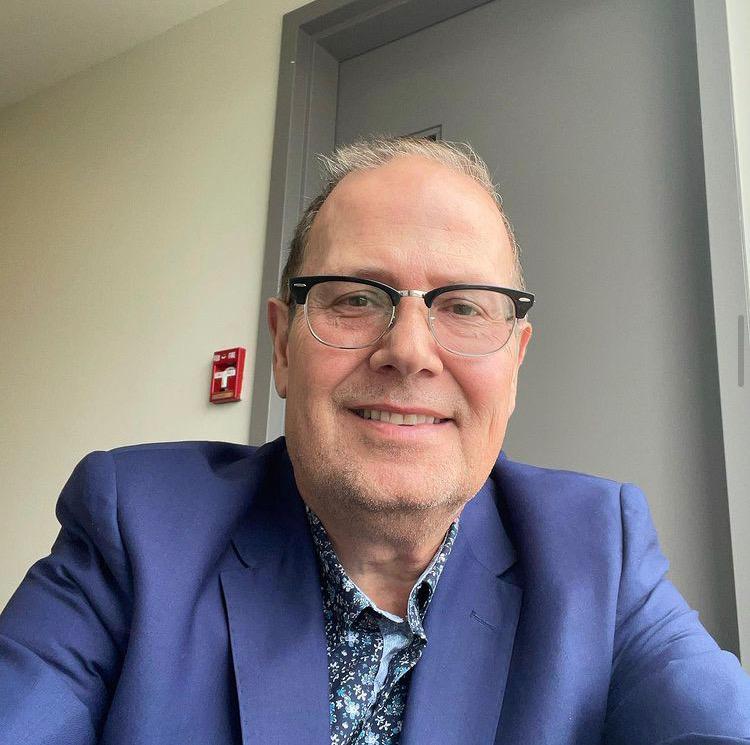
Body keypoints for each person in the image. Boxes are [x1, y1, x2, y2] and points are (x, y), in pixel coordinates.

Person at [1, 137, 749, 745]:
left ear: (515, 361)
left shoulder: (601, 556)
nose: (411, 351)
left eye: (464, 306)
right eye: (357, 297)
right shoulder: (133, 528)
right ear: (283, 346)